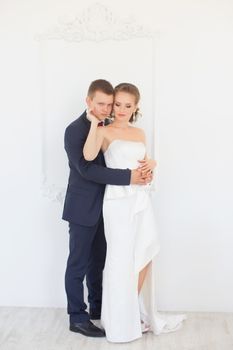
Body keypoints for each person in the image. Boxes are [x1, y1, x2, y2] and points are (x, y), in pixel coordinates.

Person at [83, 82, 187, 342]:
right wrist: (94, 122)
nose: (121, 109)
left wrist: (152, 164)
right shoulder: (104, 131)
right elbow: (87, 155)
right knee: (119, 260)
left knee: (145, 253)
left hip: (141, 200)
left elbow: (144, 166)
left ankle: (131, 311)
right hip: (118, 202)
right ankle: (119, 320)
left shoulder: (140, 133)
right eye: (117, 104)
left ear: (135, 107)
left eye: (127, 106)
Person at [62, 79, 152, 338]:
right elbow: (86, 169)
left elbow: (124, 156)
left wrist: (149, 166)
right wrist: (129, 177)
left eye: (109, 104)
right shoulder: (75, 130)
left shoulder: (109, 127)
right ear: (88, 101)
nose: (106, 108)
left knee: (101, 262)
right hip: (83, 207)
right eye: (100, 103)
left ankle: (99, 311)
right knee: (78, 263)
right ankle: (77, 317)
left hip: (112, 206)